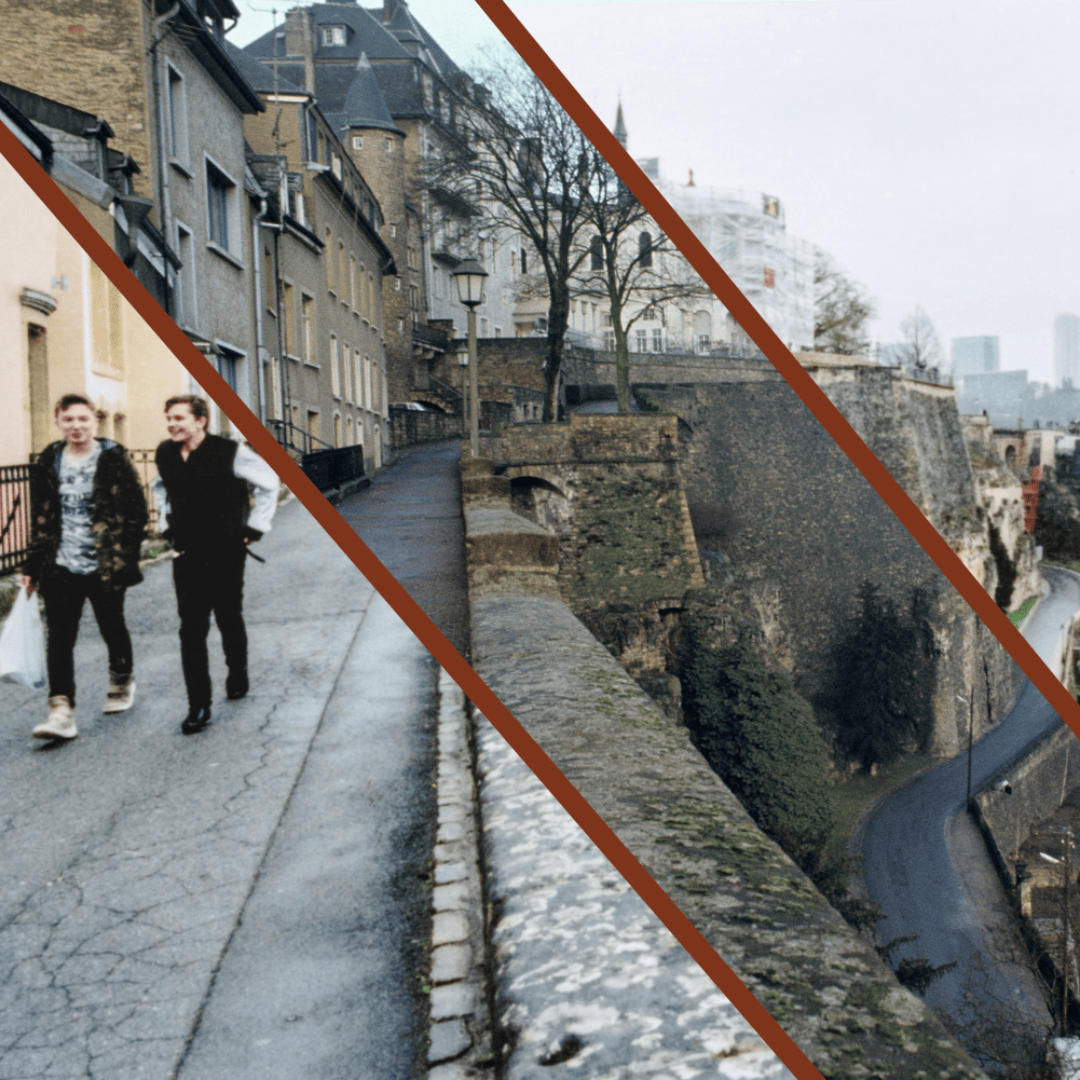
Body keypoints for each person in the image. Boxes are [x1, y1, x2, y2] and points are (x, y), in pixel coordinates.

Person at [21, 394, 148, 741]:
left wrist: (125, 554)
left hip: (105, 565)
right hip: (61, 565)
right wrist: (32, 564)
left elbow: (137, 512)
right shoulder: (49, 461)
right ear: (59, 422)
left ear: (95, 420)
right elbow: (41, 517)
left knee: (111, 626)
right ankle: (61, 710)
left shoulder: (113, 460)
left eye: (83, 419)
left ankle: (121, 680)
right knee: (60, 638)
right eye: (69, 420)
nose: (76, 426)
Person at [152, 395, 279, 734]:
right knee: (190, 629)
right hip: (187, 554)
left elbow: (269, 482)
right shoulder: (166, 453)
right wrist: (166, 526)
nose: (172, 424)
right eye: (169, 418)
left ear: (201, 420)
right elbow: (160, 487)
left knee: (228, 617)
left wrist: (255, 527)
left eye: (179, 418)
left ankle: (237, 672)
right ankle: (199, 705)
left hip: (225, 552)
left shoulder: (229, 452)